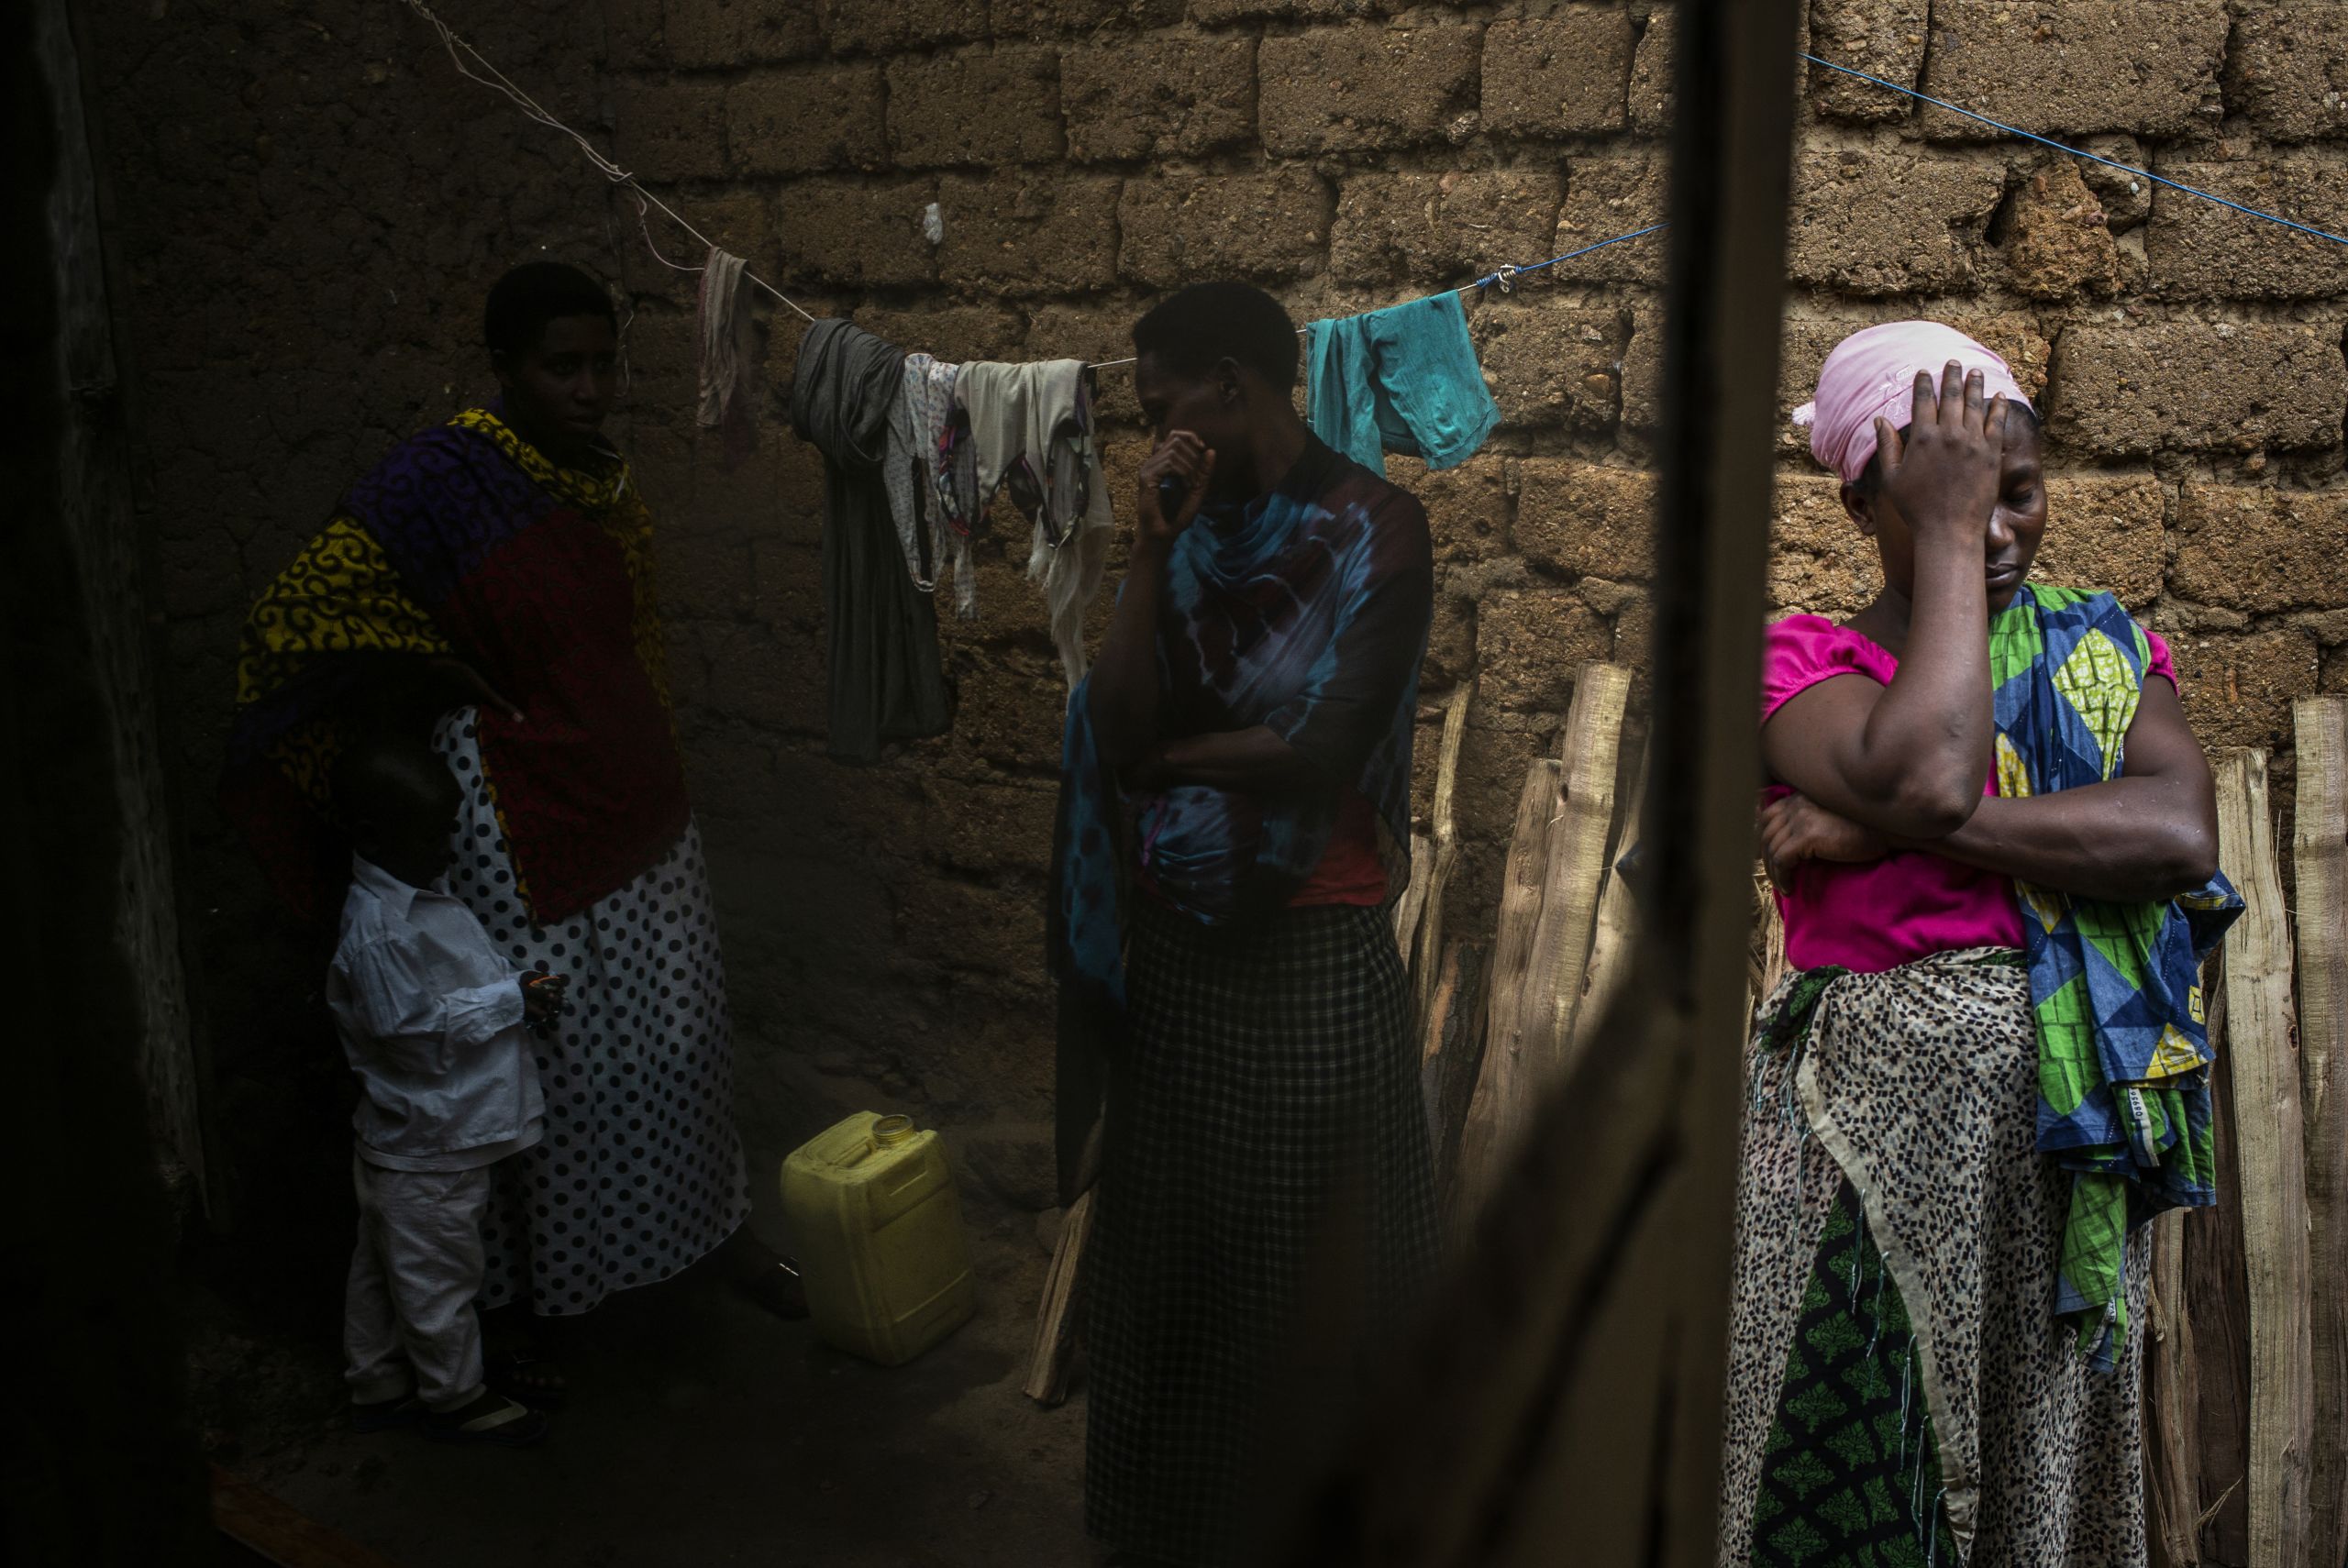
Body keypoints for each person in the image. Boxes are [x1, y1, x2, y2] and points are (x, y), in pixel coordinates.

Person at [223, 260, 803, 1408]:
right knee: (558, 1077)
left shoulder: (598, 478)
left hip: (639, 804)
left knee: (680, 1050)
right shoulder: (440, 482)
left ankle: (702, 1237)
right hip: (518, 824)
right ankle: (542, 1302)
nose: (588, 389)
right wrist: (433, 667)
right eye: (560, 367)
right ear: (504, 368)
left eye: (602, 366)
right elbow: (296, 613)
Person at [1720, 322, 2239, 1564]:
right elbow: (1926, 769)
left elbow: (2175, 834)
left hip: (2058, 1156)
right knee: (1850, 1460)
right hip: (1862, 1146)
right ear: (1861, 505)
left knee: (2026, 1474)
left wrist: (1893, 833)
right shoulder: (1801, 664)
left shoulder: (2101, 652)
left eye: (2016, 495)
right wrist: (1948, 550)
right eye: (1950, 504)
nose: (1995, 532)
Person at [1050, 282, 1441, 1568]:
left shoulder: (1375, 527)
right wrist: (1146, 549)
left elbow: (1322, 744)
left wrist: (1163, 762)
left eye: (1161, 402)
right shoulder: (1186, 529)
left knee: (1312, 1274)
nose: (1151, 430)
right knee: (1171, 1272)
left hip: (1313, 950)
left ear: (1229, 383)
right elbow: (1115, 719)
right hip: (1175, 945)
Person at [328, 737, 559, 1447]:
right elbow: (413, 1033)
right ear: (373, 837)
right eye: (430, 836)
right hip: (429, 1146)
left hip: (417, 1139)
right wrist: (510, 999)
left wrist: (513, 993)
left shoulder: (417, 900)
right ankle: (454, 1397)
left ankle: (377, 1383)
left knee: (385, 1268)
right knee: (436, 1278)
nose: (446, 848)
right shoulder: (381, 933)